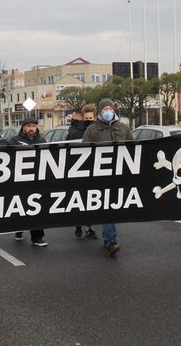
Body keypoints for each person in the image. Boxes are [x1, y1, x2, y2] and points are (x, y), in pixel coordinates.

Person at [82, 98, 132, 257]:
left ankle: (105, 235)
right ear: (100, 112)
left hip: (119, 175)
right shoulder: (92, 130)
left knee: (112, 207)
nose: (108, 111)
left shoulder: (123, 128)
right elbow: (84, 151)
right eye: (105, 109)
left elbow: (134, 149)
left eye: (110, 108)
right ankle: (111, 241)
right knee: (107, 207)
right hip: (101, 176)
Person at [9, 117, 48, 247]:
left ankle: (37, 237)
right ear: (23, 127)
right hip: (20, 179)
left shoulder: (41, 140)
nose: (31, 128)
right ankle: (19, 229)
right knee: (20, 206)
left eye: (33, 126)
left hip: (36, 178)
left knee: (36, 207)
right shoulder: (15, 140)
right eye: (28, 126)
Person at [68, 105, 98, 240]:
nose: (88, 121)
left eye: (91, 119)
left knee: (92, 200)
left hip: (94, 169)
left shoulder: (98, 129)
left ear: (95, 118)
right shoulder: (76, 129)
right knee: (80, 199)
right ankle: (78, 223)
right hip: (79, 170)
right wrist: (77, 124)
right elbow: (71, 139)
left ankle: (90, 227)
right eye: (86, 119)